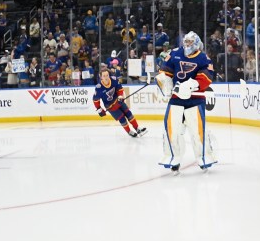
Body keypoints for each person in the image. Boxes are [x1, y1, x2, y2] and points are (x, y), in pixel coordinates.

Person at [155, 31, 217, 172]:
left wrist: (190, 85)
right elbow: (165, 72)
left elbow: (206, 77)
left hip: (195, 100)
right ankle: (172, 157)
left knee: (197, 130)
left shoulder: (203, 58)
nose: (187, 44)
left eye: (190, 42)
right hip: (176, 100)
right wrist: (166, 84)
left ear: (196, 43)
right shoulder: (175, 53)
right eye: (186, 41)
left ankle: (204, 157)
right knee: (171, 129)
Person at [93, 68, 147, 138]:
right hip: (110, 107)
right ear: (101, 77)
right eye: (104, 76)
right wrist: (99, 109)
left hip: (118, 101)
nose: (106, 77)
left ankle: (137, 128)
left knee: (129, 113)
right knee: (122, 118)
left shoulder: (114, 80)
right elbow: (95, 100)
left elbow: (119, 89)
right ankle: (129, 131)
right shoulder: (99, 88)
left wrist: (120, 96)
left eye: (107, 75)